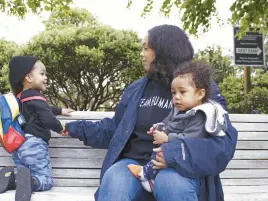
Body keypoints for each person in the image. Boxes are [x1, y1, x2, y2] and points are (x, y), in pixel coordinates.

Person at [62, 25, 238, 201]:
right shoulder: (136, 89)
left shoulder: (203, 89)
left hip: (179, 168)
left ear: (163, 50)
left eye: (146, 48)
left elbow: (223, 145)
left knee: (169, 183)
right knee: (114, 180)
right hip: (134, 165)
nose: (142, 53)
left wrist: (173, 154)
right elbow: (115, 129)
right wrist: (75, 127)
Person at [128, 60, 228, 193]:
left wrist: (167, 138)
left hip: (184, 155)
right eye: (174, 93)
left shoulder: (200, 115)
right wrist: (159, 127)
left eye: (182, 92)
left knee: (161, 153)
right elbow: (168, 121)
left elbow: (191, 138)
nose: (176, 97)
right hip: (171, 149)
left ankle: (145, 174)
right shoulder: (179, 108)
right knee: (158, 152)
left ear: (200, 94)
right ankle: (151, 179)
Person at [0, 56, 74, 201]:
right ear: (29, 77)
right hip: (34, 144)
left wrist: (60, 110)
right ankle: (32, 182)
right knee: (45, 179)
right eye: (42, 73)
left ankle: (13, 179)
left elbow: (43, 109)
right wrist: (60, 127)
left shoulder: (19, 98)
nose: (46, 77)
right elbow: (47, 117)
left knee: (25, 173)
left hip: (18, 145)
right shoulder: (36, 97)